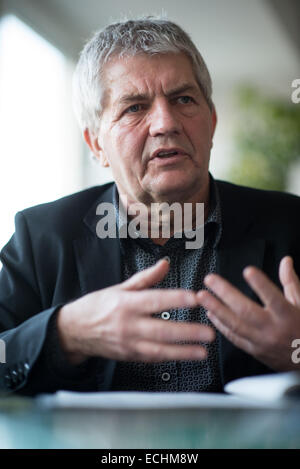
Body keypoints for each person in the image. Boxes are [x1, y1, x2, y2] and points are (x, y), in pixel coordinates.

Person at [0, 17, 299, 396]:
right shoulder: (41, 235)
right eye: (135, 107)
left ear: (212, 121)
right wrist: (64, 334)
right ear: (95, 145)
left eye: (183, 99)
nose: (165, 123)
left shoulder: (291, 225)